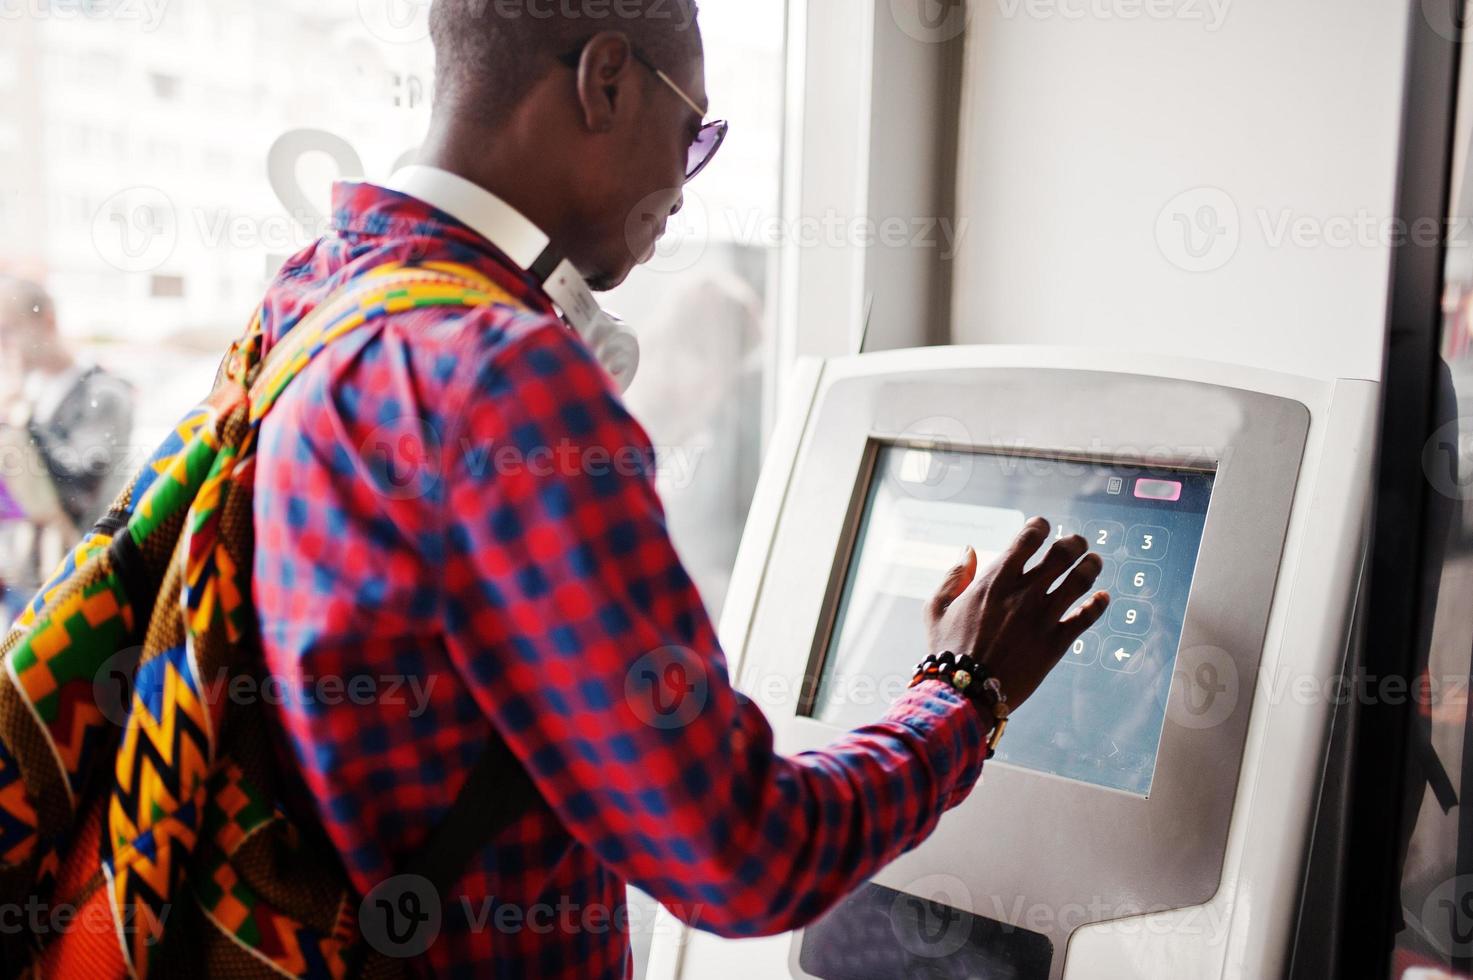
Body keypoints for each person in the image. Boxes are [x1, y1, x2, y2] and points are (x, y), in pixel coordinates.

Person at [249, 2, 1111, 976]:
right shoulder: (509, 379)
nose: (683, 187)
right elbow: (743, 857)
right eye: (690, 129)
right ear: (605, 80)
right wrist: (965, 688)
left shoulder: (317, 296)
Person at [0, 275, 133, 624]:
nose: (3, 344)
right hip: (22, 586)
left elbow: (77, 487)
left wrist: (20, 420)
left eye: (7, 329)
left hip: (76, 591)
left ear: (46, 322)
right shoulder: (28, 393)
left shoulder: (104, 394)